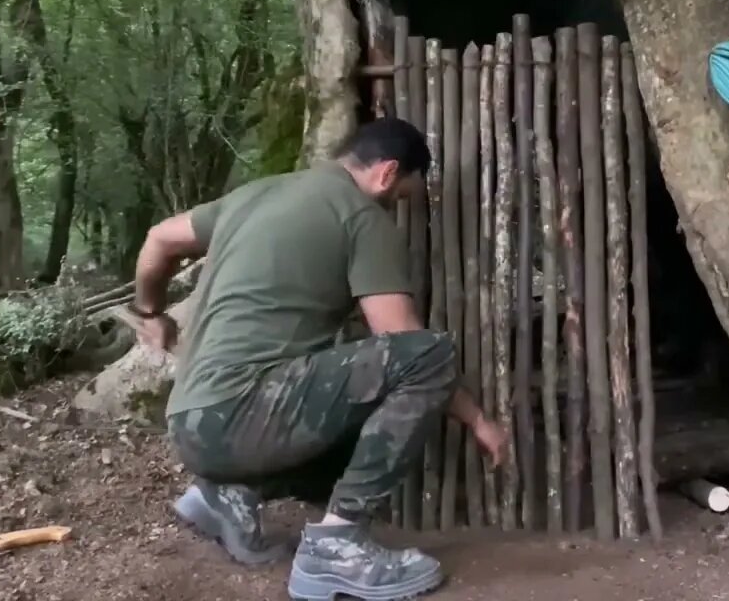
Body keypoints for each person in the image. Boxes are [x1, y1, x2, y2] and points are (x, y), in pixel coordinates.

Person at [128, 116, 506, 601]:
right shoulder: (361, 214)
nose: (397, 208)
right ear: (387, 173)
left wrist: (150, 311)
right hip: (243, 415)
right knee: (429, 355)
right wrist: (478, 421)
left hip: (190, 423)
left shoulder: (254, 194)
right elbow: (402, 338)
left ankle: (230, 495)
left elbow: (159, 238)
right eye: (404, 197)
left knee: (354, 418)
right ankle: (337, 544)